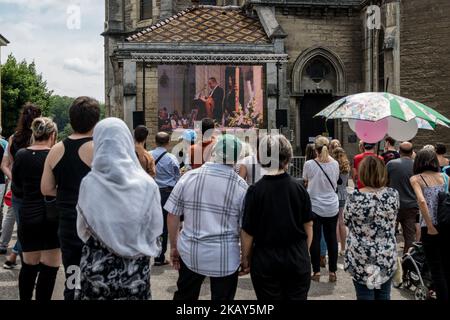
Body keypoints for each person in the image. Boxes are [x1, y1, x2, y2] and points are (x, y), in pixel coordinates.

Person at [76, 118, 163, 300]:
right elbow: (155, 228)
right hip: (135, 270)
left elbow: (82, 230)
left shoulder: (89, 183)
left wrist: (107, 238)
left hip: (96, 266)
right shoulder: (148, 185)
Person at [166, 134, 248, 300]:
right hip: (225, 257)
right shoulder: (241, 186)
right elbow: (244, 229)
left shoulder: (188, 177)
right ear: (237, 158)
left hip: (191, 252)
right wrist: (245, 257)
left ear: (213, 152)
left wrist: (174, 246)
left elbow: (173, 214)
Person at [41, 96, 100, 300]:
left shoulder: (55, 150)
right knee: (96, 279)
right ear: (96, 121)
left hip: (67, 224)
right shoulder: (99, 150)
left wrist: (67, 193)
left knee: (72, 276)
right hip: (96, 225)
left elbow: (46, 188)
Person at [241, 134, 313, 300]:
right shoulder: (300, 188)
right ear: (288, 157)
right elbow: (308, 224)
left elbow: (247, 232)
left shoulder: (254, 191)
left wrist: (245, 258)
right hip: (296, 256)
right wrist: (304, 250)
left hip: (265, 259)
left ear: (261, 158)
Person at [13, 118, 60, 300]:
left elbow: (16, 187)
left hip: (28, 214)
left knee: (28, 266)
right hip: (52, 216)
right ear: (53, 135)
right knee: (49, 269)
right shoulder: (56, 154)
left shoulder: (22, 155)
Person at [345, 156, 399, 300]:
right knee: (384, 295)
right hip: (385, 255)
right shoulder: (392, 195)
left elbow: (346, 220)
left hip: (361, 257)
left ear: (362, 173)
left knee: (364, 295)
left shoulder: (354, 197)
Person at [1, 103, 42, 269]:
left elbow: (5, 164)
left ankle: (12, 253)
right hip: (36, 189)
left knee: (22, 223)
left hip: (17, 188)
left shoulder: (13, 138)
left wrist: (14, 178)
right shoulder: (40, 138)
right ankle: (20, 257)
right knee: (30, 226)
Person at [410, 149, 450, 301]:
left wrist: (430, 226)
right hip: (446, 224)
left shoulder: (416, 178)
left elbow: (421, 201)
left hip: (430, 226)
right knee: (447, 265)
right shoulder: (446, 177)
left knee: (436, 268)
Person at [303, 136, 339, 283]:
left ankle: (316, 271)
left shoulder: (309, 164)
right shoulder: (335, 164)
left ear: (315, 149)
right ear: (328, 147)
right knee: (332, 239)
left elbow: (305, 181)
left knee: (315, 239)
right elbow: (336, 182)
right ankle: (332, 272)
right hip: (331, 206)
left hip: (315, 206)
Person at [150, 132, 180, 266]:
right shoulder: (172, 158)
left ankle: (156, 254)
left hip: (152, 192)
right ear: (168, 143)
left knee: (154, 223)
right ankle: (160, 256)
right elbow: (177, 177)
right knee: (166, 225)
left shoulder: (148, 155)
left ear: (155, 142)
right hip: (168, 193)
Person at [386, 142, 419, 254]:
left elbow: (384, 182)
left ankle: (391, 258)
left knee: (389, 234)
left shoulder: (391, 164)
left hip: (393, 205)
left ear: (399, 151)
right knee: (409, 237)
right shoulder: (417, 165)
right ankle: (407, 262)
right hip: (411, 205)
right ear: (411, 152)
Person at [332, 147, 350, 255]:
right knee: (342, 222)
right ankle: (343, 248)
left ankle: (335, 247)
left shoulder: (334, 167)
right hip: (343, 194)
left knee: (335, 222)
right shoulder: (346, 167)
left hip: (334, 194)